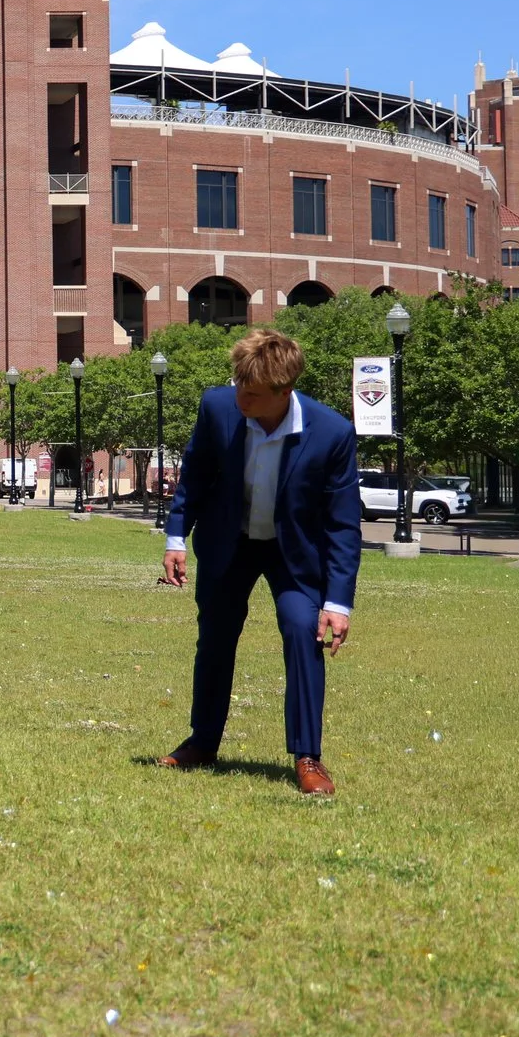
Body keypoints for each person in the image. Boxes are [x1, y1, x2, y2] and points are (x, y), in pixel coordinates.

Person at [159, 329, 362, 795]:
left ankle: (308, 757)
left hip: (293, 554)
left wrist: (338, 603)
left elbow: (343, 525)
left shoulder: (332, 433)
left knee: (302, 630)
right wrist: (175, 538)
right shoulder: (217, 407)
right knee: (215, 637)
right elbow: (194, 475)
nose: (240, 399)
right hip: (230, 543)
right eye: (238, 386)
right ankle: (202, 742)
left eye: (251, 394)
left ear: (283, 391)